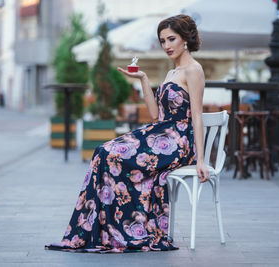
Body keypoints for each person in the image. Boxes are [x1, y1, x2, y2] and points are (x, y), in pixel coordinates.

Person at [45, 14, 209, 253]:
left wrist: (201, 159)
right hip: (160, 132)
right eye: (162, 41)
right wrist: (143, 79)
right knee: (103, 152)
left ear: (185, 39)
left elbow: (197, 116)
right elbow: (155, 114)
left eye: (171, 39)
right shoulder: (172, 72)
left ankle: (123, 230)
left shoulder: (194, 70)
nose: (166, 46)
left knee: (110, 154)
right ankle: (101, 230)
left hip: (177, 141)